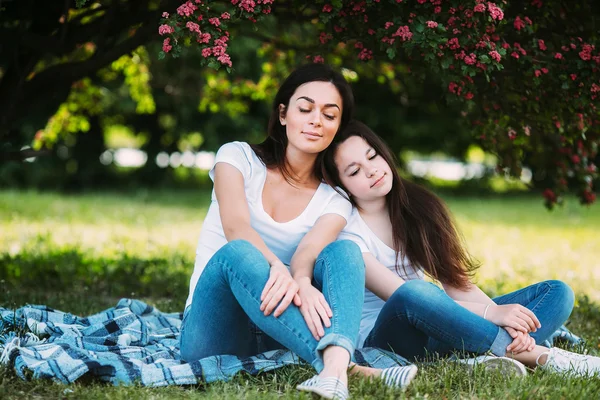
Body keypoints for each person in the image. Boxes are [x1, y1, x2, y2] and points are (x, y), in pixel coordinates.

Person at [180, 65, 417, 400]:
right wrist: (277, 267)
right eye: (305, 109)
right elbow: (236, 227)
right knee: (238, 253)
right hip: (214, 333)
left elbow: (309, 251)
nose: (316, 120)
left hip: (281, 328)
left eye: (329, 114)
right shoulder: (236, 158)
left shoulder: (335, 201)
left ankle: (333, 371)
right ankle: (347, 369)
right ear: (282, 114)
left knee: (344, 250)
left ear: (337, 127)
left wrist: (301, 279)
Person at [321, 120, 600, 377]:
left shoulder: (419, 208)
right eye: (354, 170)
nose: (371, 170)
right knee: (415, 291)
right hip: (391, 336)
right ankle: (541, 356)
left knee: (557, 293)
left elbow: (458, 286)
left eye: (372, 156)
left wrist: (502, 316)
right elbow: (400, 296)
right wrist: (493, 314)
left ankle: (477, 354)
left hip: (443, 324)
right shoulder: (346, 230)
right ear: (340, 184)